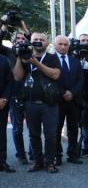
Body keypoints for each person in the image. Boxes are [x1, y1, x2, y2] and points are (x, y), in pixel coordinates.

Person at [12, 32, 62, 173]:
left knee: (51, 135)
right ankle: (38, 162)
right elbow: (17, 77)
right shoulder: (24, 57)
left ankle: (50, 162)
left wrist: (36, 63)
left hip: (49, 104)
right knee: (33, 134)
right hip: (31, 103)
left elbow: (55, 74)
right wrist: (19, 57)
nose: (39, 41)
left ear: (47, 43)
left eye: (42, 39)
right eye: (35, 39)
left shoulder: (52, 58)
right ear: (30, 42)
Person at [53, 35, 85, 165]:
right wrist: (63, 92)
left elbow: (80, 80)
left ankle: (73, 155)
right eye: (60, 44)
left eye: (65, 44)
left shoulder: (75, 61)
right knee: (56, 129)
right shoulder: (50, 60)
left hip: (74, 100)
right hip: (57, 100)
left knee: (73, 129)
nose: (63, 47)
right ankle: (57, 156)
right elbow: (50, 79)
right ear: (55, 45)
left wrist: (72, 92)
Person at [6, 31, 33, 164]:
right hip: (15, 95)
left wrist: (22, 25)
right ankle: (21, 155)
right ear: (13, 41)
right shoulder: (9, 54)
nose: (21, 40)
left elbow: (30, 37)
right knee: (17, 128)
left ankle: (33, 153)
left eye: (23, 38)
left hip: (30, 95)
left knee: (33, 127)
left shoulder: (30, 53)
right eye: (18, 38)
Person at [0, 53, 15, 172]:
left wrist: (5, 98)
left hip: (1, 104)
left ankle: (2, 162)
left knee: (1, 133)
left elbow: (10, 81)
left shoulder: (4, 59)